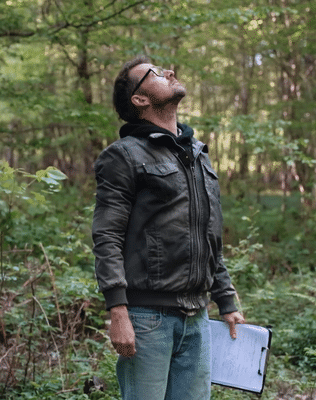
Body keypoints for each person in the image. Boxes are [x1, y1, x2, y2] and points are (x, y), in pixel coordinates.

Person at [91, 55, 245, 400]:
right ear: (140, 99)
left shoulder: (197, 153)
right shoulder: (123, 156)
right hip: (147, 319)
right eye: (156, 73)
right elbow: (107, 236)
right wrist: (118, 310)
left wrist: (226, 300)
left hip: (197, 317)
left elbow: (207, 235)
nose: (170, 72)